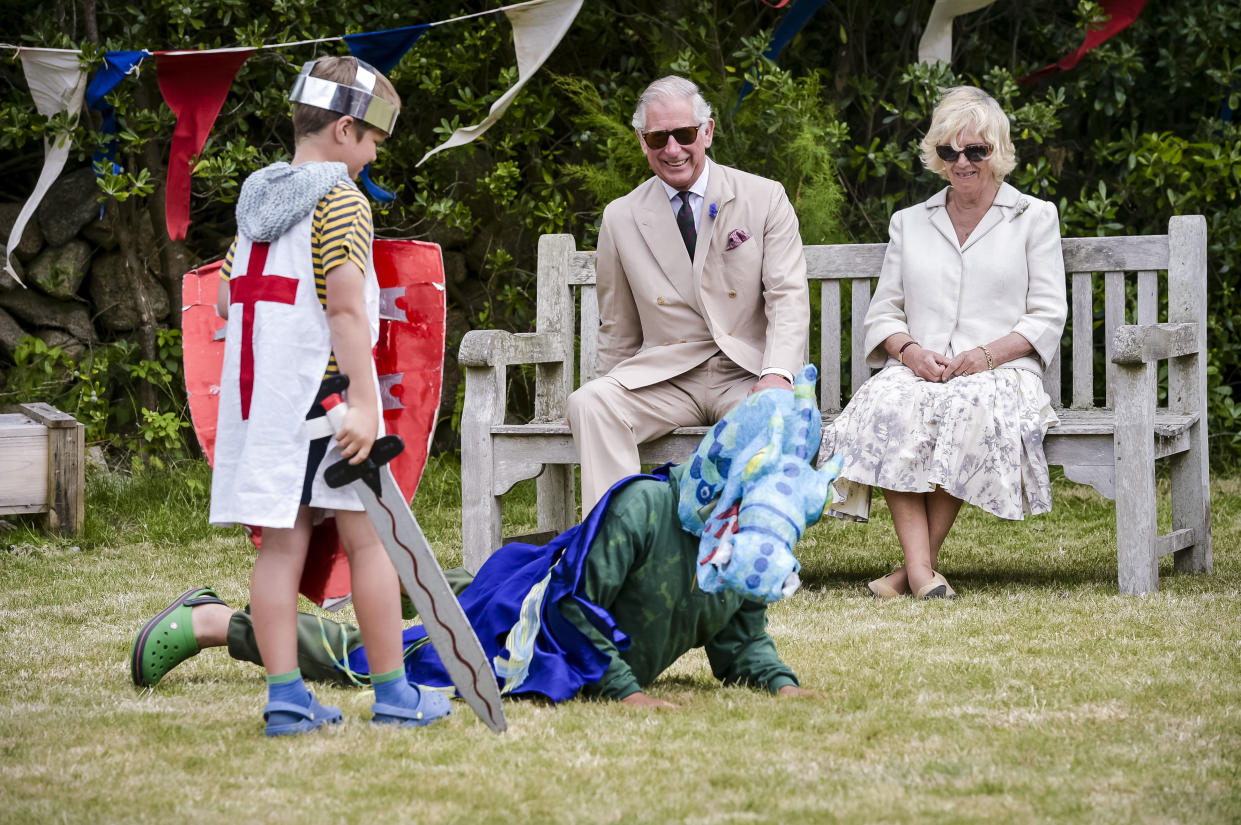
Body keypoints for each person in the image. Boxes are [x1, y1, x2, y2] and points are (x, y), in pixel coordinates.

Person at [189, 56, 449, 735]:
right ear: (342, 130)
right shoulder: (339, 201)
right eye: (370, 141)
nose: (369, 157)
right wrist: (366, 404)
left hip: (266, 408)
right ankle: (394, 694)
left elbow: (221, 296)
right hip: (326, 403)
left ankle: (285, 699)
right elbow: (344, 311)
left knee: (281, 550)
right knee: (369, 544)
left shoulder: (258, 199)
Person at [132, 463, 817, 709]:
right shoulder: (645, 507)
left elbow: (739, 637)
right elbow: (574, 609)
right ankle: (216, 621)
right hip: (529, 633)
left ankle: (389, 576)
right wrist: (624, 689)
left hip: (521, 591)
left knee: (460, 588)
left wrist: (779, 681)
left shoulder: (748, 555)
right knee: (388, 659)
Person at [819, 86, 1067, 600]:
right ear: (937, 155)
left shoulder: (1033, 217)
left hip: (999, 371)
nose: (963, 162)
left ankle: (909, 572)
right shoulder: (910, 222)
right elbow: (884, 313)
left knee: (964, 407)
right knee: (886, 405)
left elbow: (1046, 315)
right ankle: (920, 573)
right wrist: (909, 352)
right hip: (920, 367)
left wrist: (984, 355)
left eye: (976, 150)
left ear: (997, 153)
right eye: (951, 151)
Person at [567, 75, 810, 513]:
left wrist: (776, 377)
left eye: (684, 134)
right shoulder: (621, 217)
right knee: (591, 402)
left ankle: (743, 556)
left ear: (708, 132)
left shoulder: (764, 197)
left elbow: (787, 297)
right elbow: (617, 324)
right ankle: (621, 546)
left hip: (745, 373)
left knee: (774, 415)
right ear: (643, 142)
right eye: (659, 137)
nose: (673, 149)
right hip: (668, 378)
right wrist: (609, 382)